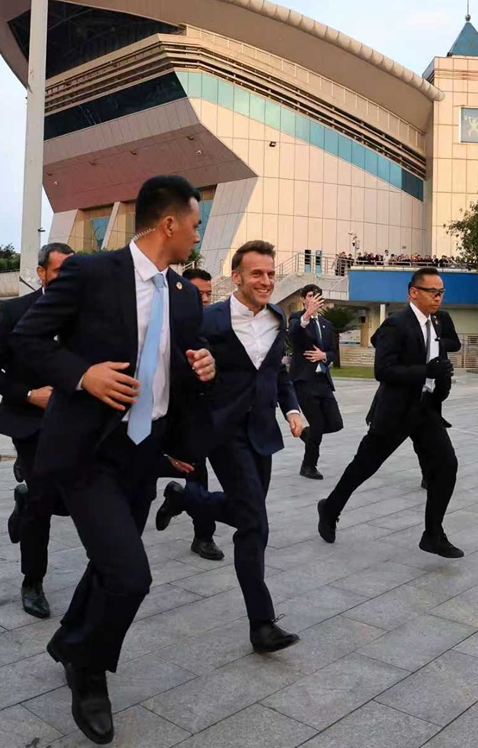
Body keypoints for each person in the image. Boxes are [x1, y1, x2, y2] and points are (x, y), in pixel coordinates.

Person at [12, 175, 216, 745]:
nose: (196, 235)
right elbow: (28, 341)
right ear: (170, 223)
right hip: (87, 452)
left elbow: (175, 363)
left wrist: (203, 368)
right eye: (195, 224)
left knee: (111, 564)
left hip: (142, 455)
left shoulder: (181, 294)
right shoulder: (91, 271)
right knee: (130, 576)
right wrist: (82, 374)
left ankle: (69, 640)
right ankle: (88, 667)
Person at [154, 240, 306, 653]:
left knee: (244, 515)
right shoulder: (209, 320)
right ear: (236, 277)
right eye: (257, 273)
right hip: (223, 432)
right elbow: (180, 374)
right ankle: (262, 624)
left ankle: (186, 498)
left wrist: (292, 410)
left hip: (263, 431)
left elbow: (278, 374)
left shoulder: (279, 319)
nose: (267, 280)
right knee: (255, 523)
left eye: (271, 273)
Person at [317, 267, 464, 558]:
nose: (438, 298)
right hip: (395, 411)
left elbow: (439, 357)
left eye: (441, 292)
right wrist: (426, 370)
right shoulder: (397, 324)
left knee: (447, 467)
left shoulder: (438, 321)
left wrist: (441, 376)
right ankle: (330, 508)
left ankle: (433, 534)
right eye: (432, 292)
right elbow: (382, 370)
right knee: (364, 466)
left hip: (426, 410)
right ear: (413, 292)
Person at [0, 242, 74, 619]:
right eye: (59, 270)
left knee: (74, 497)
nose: (65, 278)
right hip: (31, 422)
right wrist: (29, 395)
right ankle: (33, 580)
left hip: (78, 423)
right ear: (43, 274)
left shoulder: (89, 312)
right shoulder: (17, 311)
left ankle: (25, 497)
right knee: (43, 503)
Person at [367, 308, 460, 490]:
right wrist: (403, 347)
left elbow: (455, 344)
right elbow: (376, 340)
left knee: (427, 440)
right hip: (404, 386)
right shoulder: (400, 318)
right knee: (375, 448)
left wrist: (434, 342)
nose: (435, 297)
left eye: (439, 293)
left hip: (432, 388)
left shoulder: (441, 317)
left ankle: (428, 475)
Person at [173, 267, 225, 561]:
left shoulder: (215, 324)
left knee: (197, 474)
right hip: (154, 418)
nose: (204, 299)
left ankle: (203, 535)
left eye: (208, 294)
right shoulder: (161, 321)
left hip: (194, 417)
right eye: (198, 294)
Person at [289, 283, 344, 479]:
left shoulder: (326, 324)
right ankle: (308, 466)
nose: (314, 299)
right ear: (304, 299)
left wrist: (324, 355)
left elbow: (332, 351)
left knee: (336, 423)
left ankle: (306, 434)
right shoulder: (297, 318)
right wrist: (306, 316)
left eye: (317, 296)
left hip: (323, 381)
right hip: (304, 380)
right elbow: (294, 336)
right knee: (318, 424)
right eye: (310, 295)